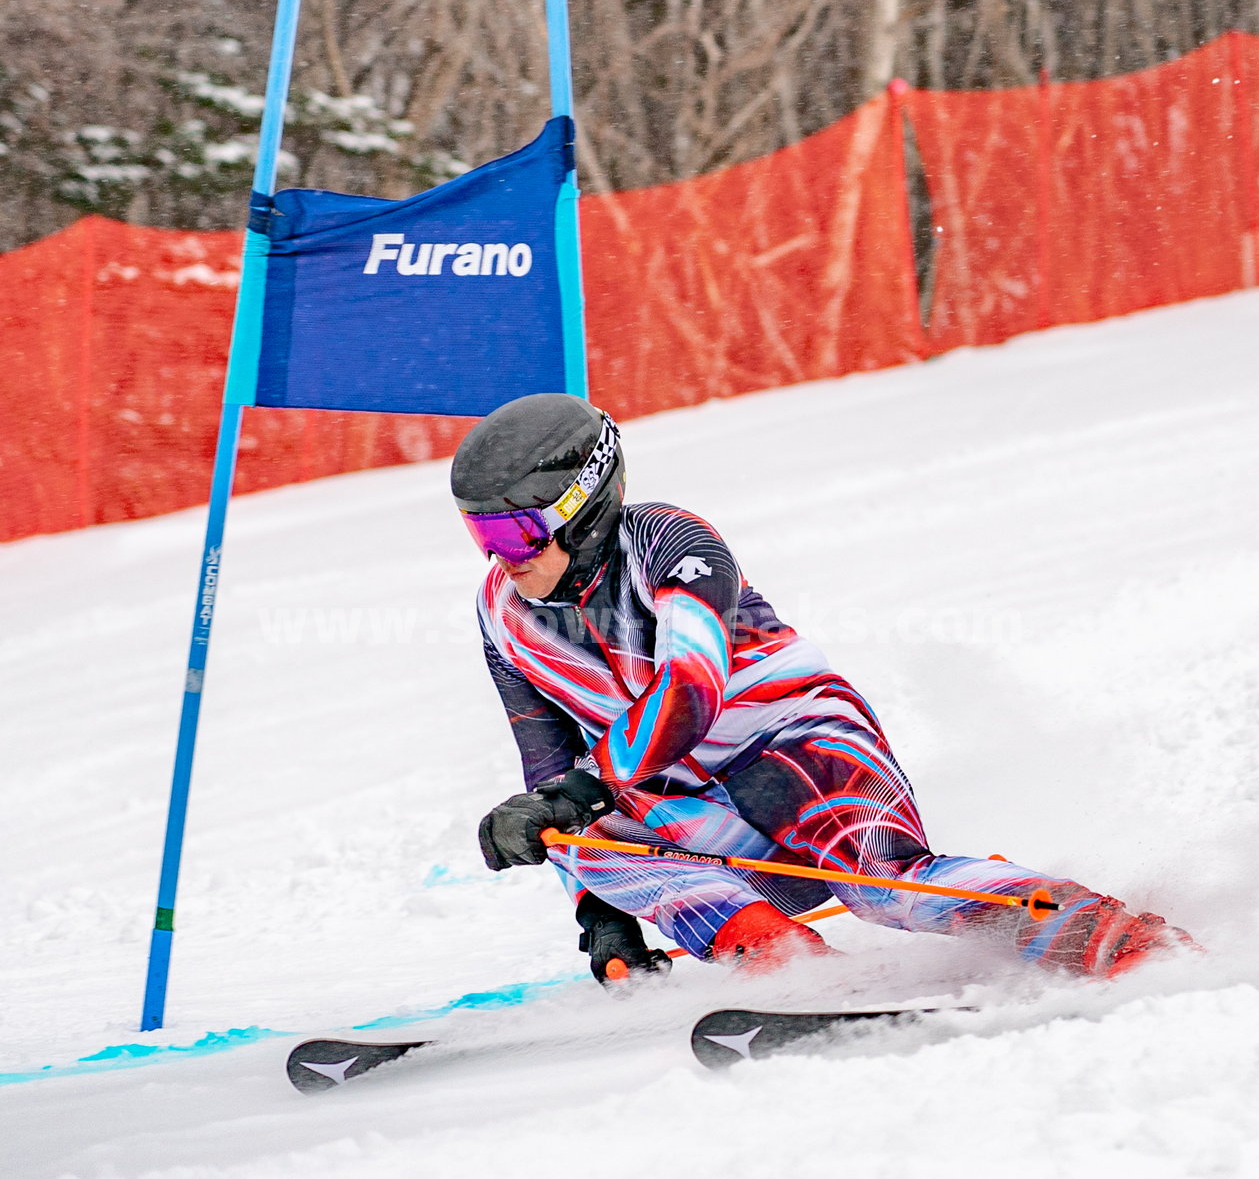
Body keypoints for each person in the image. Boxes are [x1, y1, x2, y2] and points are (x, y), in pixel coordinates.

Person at [452, 393, 1193, 986]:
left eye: (516, 534)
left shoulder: (670, 543)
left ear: (583, 508)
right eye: (481, 535)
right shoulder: (500, 611)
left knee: (882, 891)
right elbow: (550, 773)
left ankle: (1110, 936)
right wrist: (601, 913)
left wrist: (585, 788)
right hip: (694, 811)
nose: (501, 556)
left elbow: (692, 688)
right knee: (555, 820)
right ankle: (780, 961)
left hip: (799, 750)